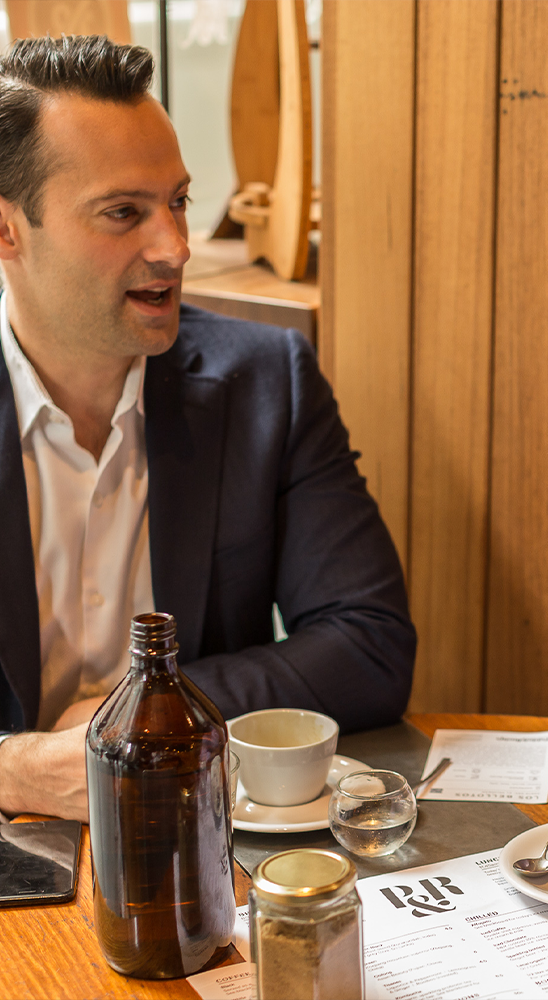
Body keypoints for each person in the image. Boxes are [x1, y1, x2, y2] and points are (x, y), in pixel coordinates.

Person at [0, 36, 415, 824]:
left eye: (179, 201)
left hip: (202, 841)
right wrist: (13, 771)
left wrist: (145, 718)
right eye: (124, 212)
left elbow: (370, 646)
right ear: (9, 231)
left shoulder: (267, 380)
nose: (175, 248)